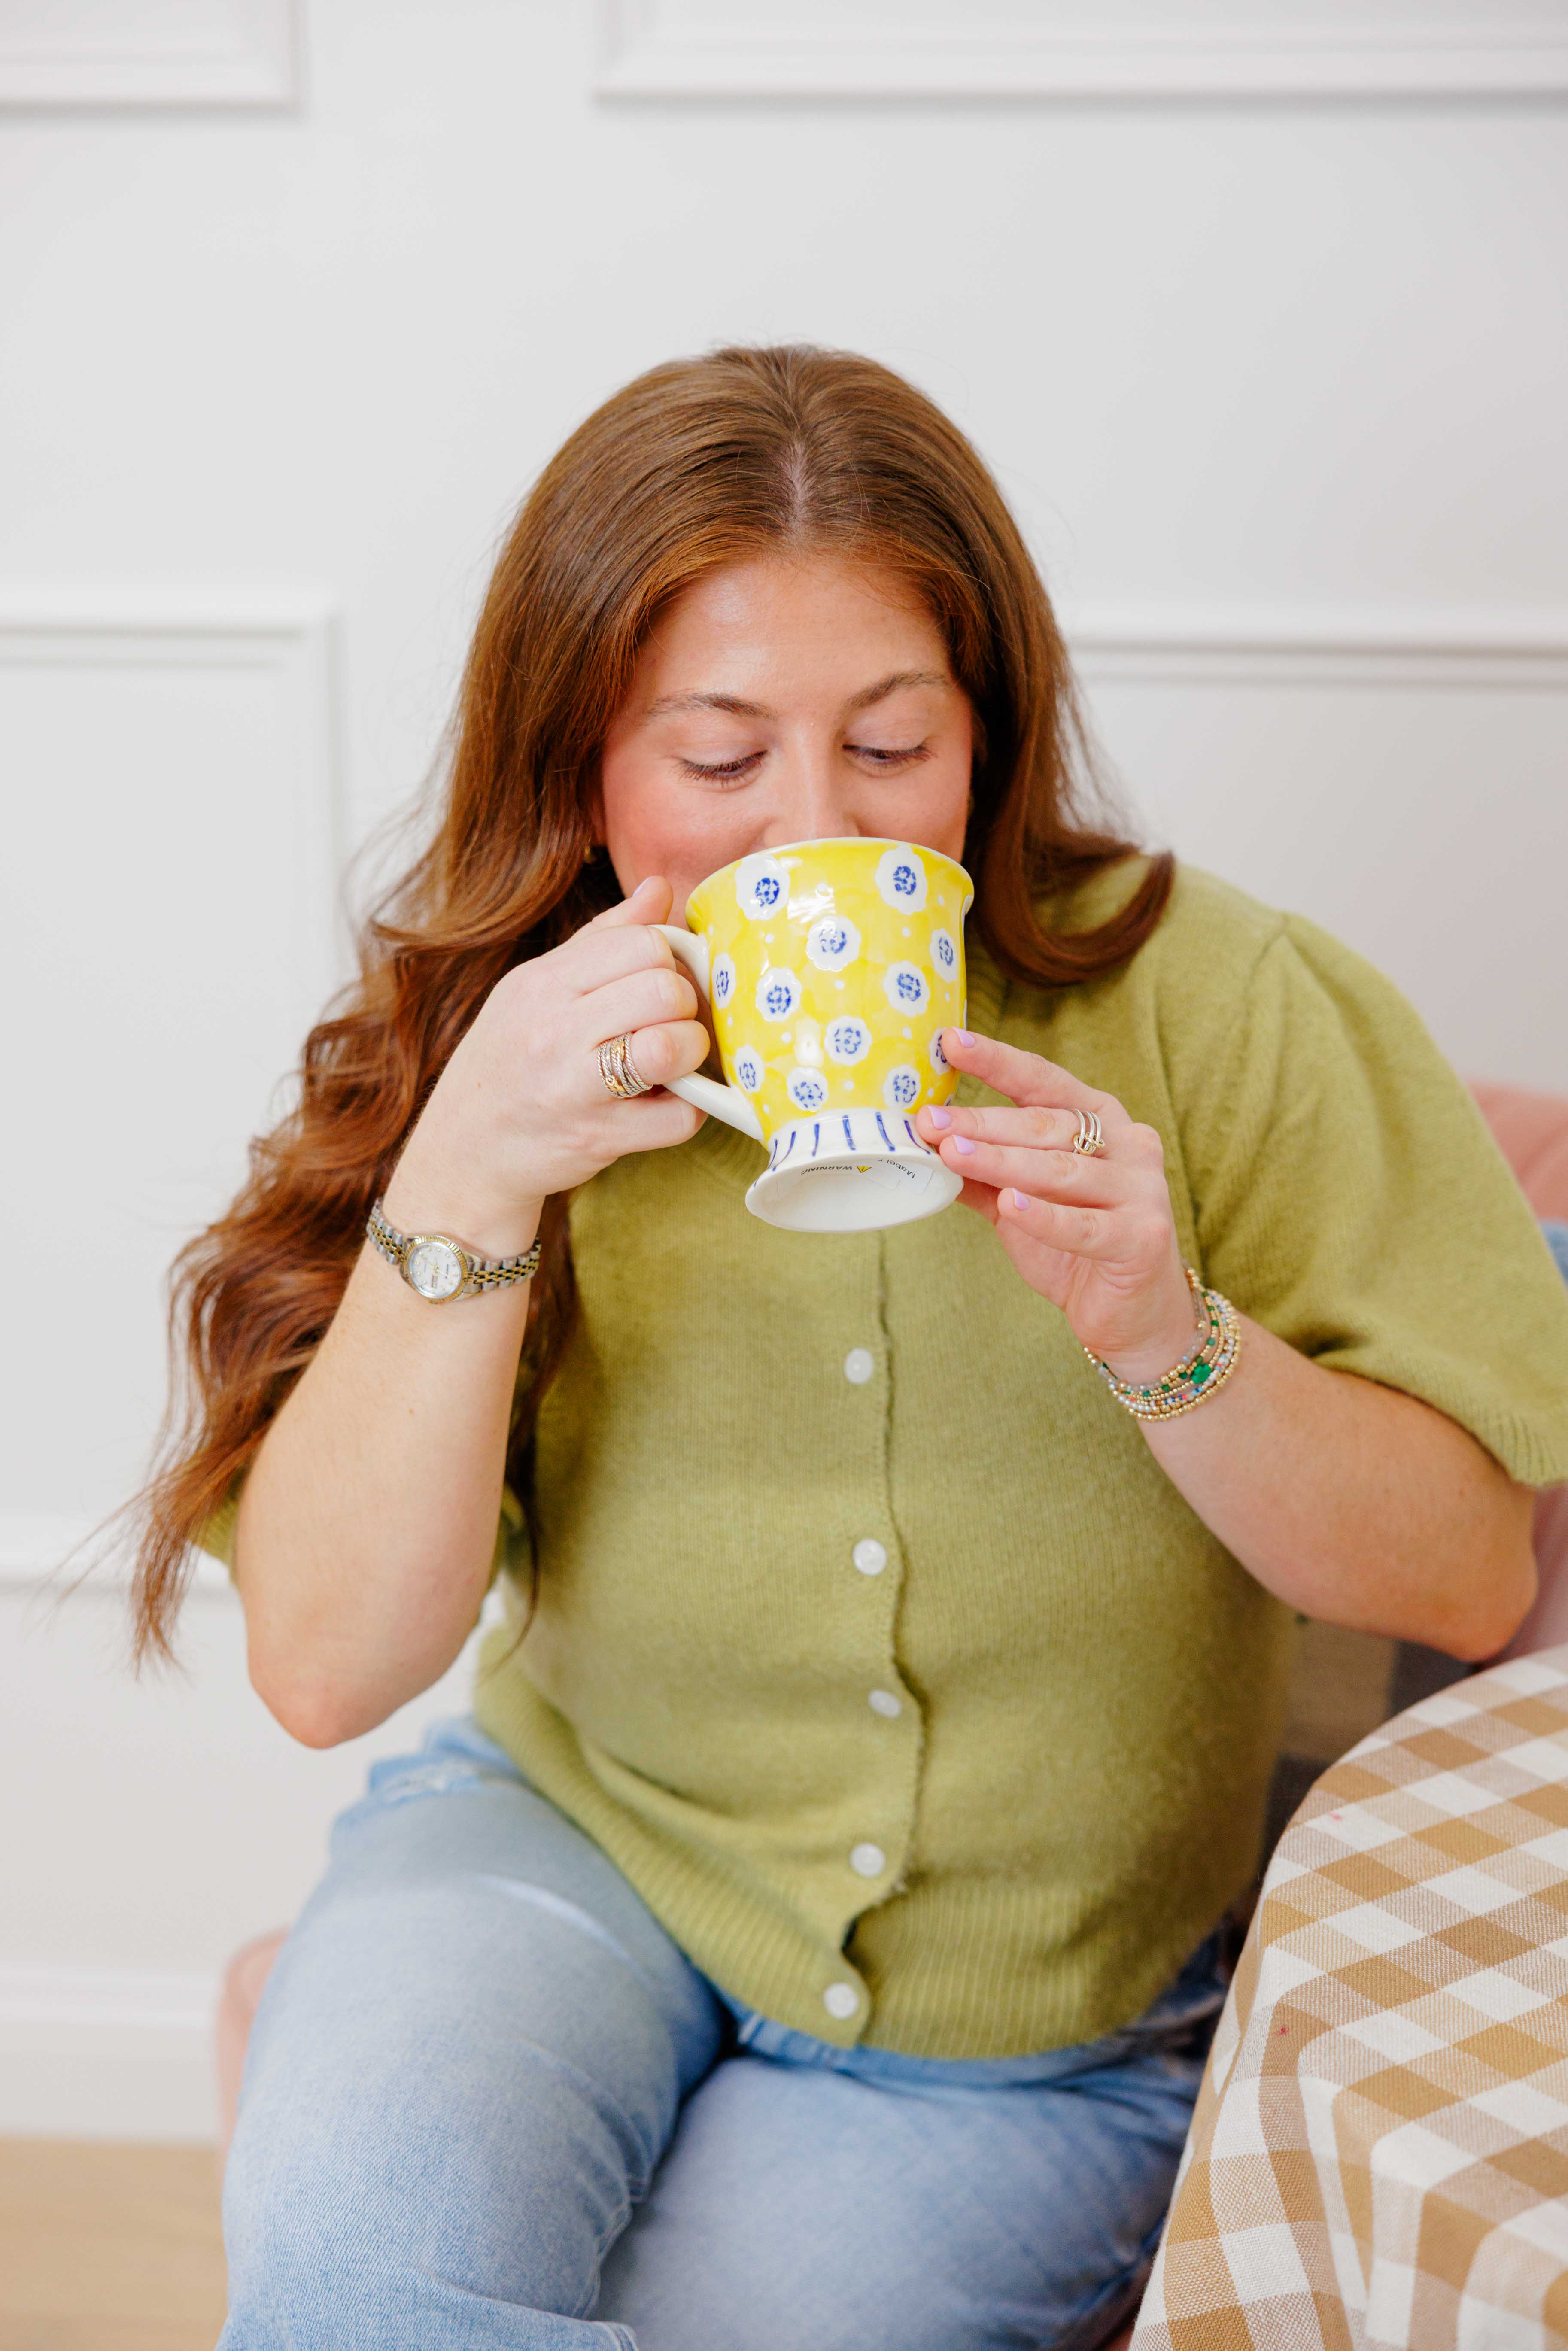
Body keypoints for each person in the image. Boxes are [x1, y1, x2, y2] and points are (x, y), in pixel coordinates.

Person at [134, 346, 1568, 2351]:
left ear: (987, 736)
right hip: (569, 1856)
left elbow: (1470, 1572)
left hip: (1027, 2038)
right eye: (719, 763)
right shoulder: (510, 1037)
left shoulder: (1226, 1005)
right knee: (366, 2284)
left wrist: (1171, 1336)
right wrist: (466, 1170)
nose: (806, 828)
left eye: (892, 748)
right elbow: (326, 1665)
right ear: (583, 764)